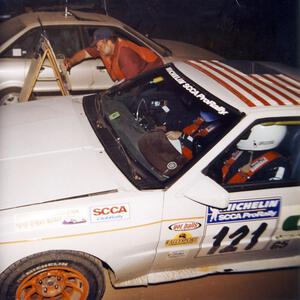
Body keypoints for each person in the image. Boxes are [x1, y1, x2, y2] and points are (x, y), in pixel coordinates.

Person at [64, 28, 163, 82]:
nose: (97, 49)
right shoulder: (106, 49)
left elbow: (133, 85)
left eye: (99, 45)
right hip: (135, 82)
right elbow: (85, 53)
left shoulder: (125, 54)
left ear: (108, 42)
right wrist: (72, 61)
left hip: (151, 81)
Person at [221, 124, 290, 184]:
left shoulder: (278, 165)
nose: (240, 135)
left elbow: (269, 194)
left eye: (246, 133)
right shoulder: (237, 149)